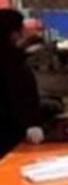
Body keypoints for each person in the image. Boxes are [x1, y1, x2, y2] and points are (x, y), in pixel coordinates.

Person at [0, 9, 44, 159]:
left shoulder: (12, 55)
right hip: (9, 130)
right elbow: (20, 93)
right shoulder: (11, 60)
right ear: (14, 33)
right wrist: (32, 123)